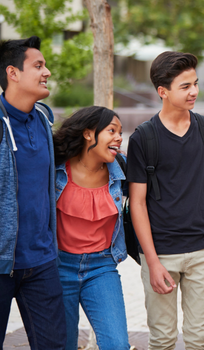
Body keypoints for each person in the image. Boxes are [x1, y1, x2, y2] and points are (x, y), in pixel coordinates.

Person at [126, 51, 204, 349]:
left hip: (203, 252)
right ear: (163, 91)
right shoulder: (143, 139)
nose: (194, 91)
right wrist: (152, 262)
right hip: (161, 253)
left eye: (195, 83)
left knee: (199, 340)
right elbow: (138, 203)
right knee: (162, 340)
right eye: (185, 86)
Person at [0, 36, 67, 349]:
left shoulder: (42, 119)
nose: (47, 72)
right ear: (13, 73)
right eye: (38, 66)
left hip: (41, 261)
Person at [53, 106, 130, 350]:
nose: (119, 137)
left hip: (101, 267)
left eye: (120, 132)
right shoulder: (56, 169)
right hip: (57, 267)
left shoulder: (121, 169)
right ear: (88, 134)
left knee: (117, 345)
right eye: (111, 130)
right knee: (62, 344)